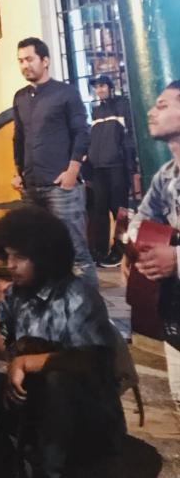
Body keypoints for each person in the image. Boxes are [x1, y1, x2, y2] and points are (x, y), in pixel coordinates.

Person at [0, 206, 124, 477]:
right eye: (7, 256)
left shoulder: (76, 295)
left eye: (19, 258)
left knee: (57, 379)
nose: (10, 266)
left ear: (44, 256)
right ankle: (3, 459)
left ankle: (50, 470)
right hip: (29, 399)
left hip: (83, 410)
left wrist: (28, 362)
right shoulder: (17, 295)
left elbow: (91, 359)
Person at [11, 37, 98, 288]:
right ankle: (50, 311)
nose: (25, 65)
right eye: (20, 61)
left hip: (62, 188)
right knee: (37, 253)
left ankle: (91, 314)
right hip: (31, 188)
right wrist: (18, 173)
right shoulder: (20, 98)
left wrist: (72, 171)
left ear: (45, 61)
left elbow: (81, 132)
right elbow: (19, 138)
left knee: (76, 254)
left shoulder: (65, 93)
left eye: (29, 59)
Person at [123, 80, 180, 411]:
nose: (150, 111)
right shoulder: (166, 176)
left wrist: (175, 257)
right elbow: (141, 223)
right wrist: (132, 253)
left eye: (162, 105)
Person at [86, 74, 137, 267]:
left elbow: (129, 136)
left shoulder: (122, 105)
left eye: (102, 86)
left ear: (110, 87)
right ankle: (99, 251)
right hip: (98, 168)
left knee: (119, 210)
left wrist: (131, 165)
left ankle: (121, 251)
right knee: (99, 210)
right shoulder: (96, 111)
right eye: (96, 87)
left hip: (117, 166)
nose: (99, 90)